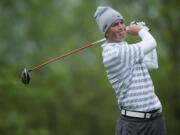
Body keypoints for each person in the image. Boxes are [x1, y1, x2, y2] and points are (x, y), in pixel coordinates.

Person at [94, 6, 166, 135]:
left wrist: (145, 31)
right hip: (135, 125)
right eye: (115, 25)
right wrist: (141, 31)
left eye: (122, 22)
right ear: (106, 32)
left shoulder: (127, 50)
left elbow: (152, 63)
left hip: (156, 122)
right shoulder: (115, 53)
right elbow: (151, 43)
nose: (121, 27)